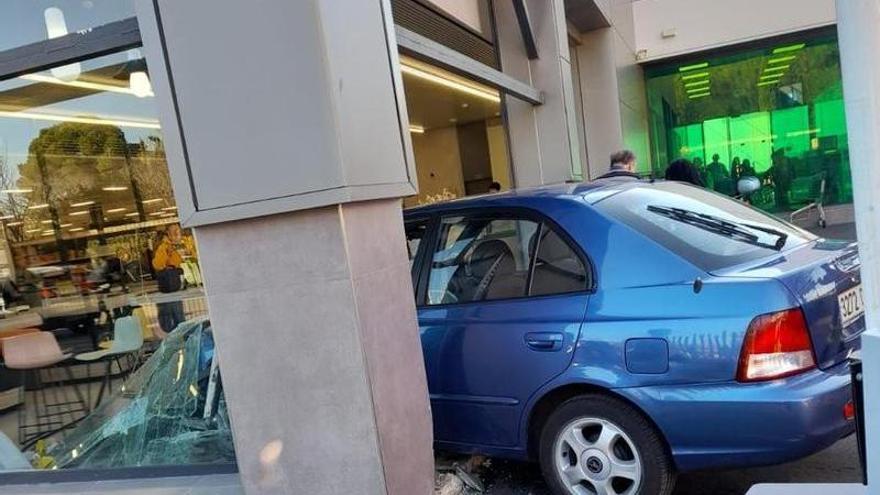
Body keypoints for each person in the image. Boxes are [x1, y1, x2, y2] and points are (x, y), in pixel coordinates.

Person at [152, 224, 198, 335]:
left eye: (178, 230)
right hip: (169, 286)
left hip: (171, 285)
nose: (178, 233)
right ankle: (183, 337)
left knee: (176, 318)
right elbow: (158, 264)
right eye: (175, 231)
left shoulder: (170, 246)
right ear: (168, 233)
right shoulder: (164, 247)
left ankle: (181, 336)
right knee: (176, 318)